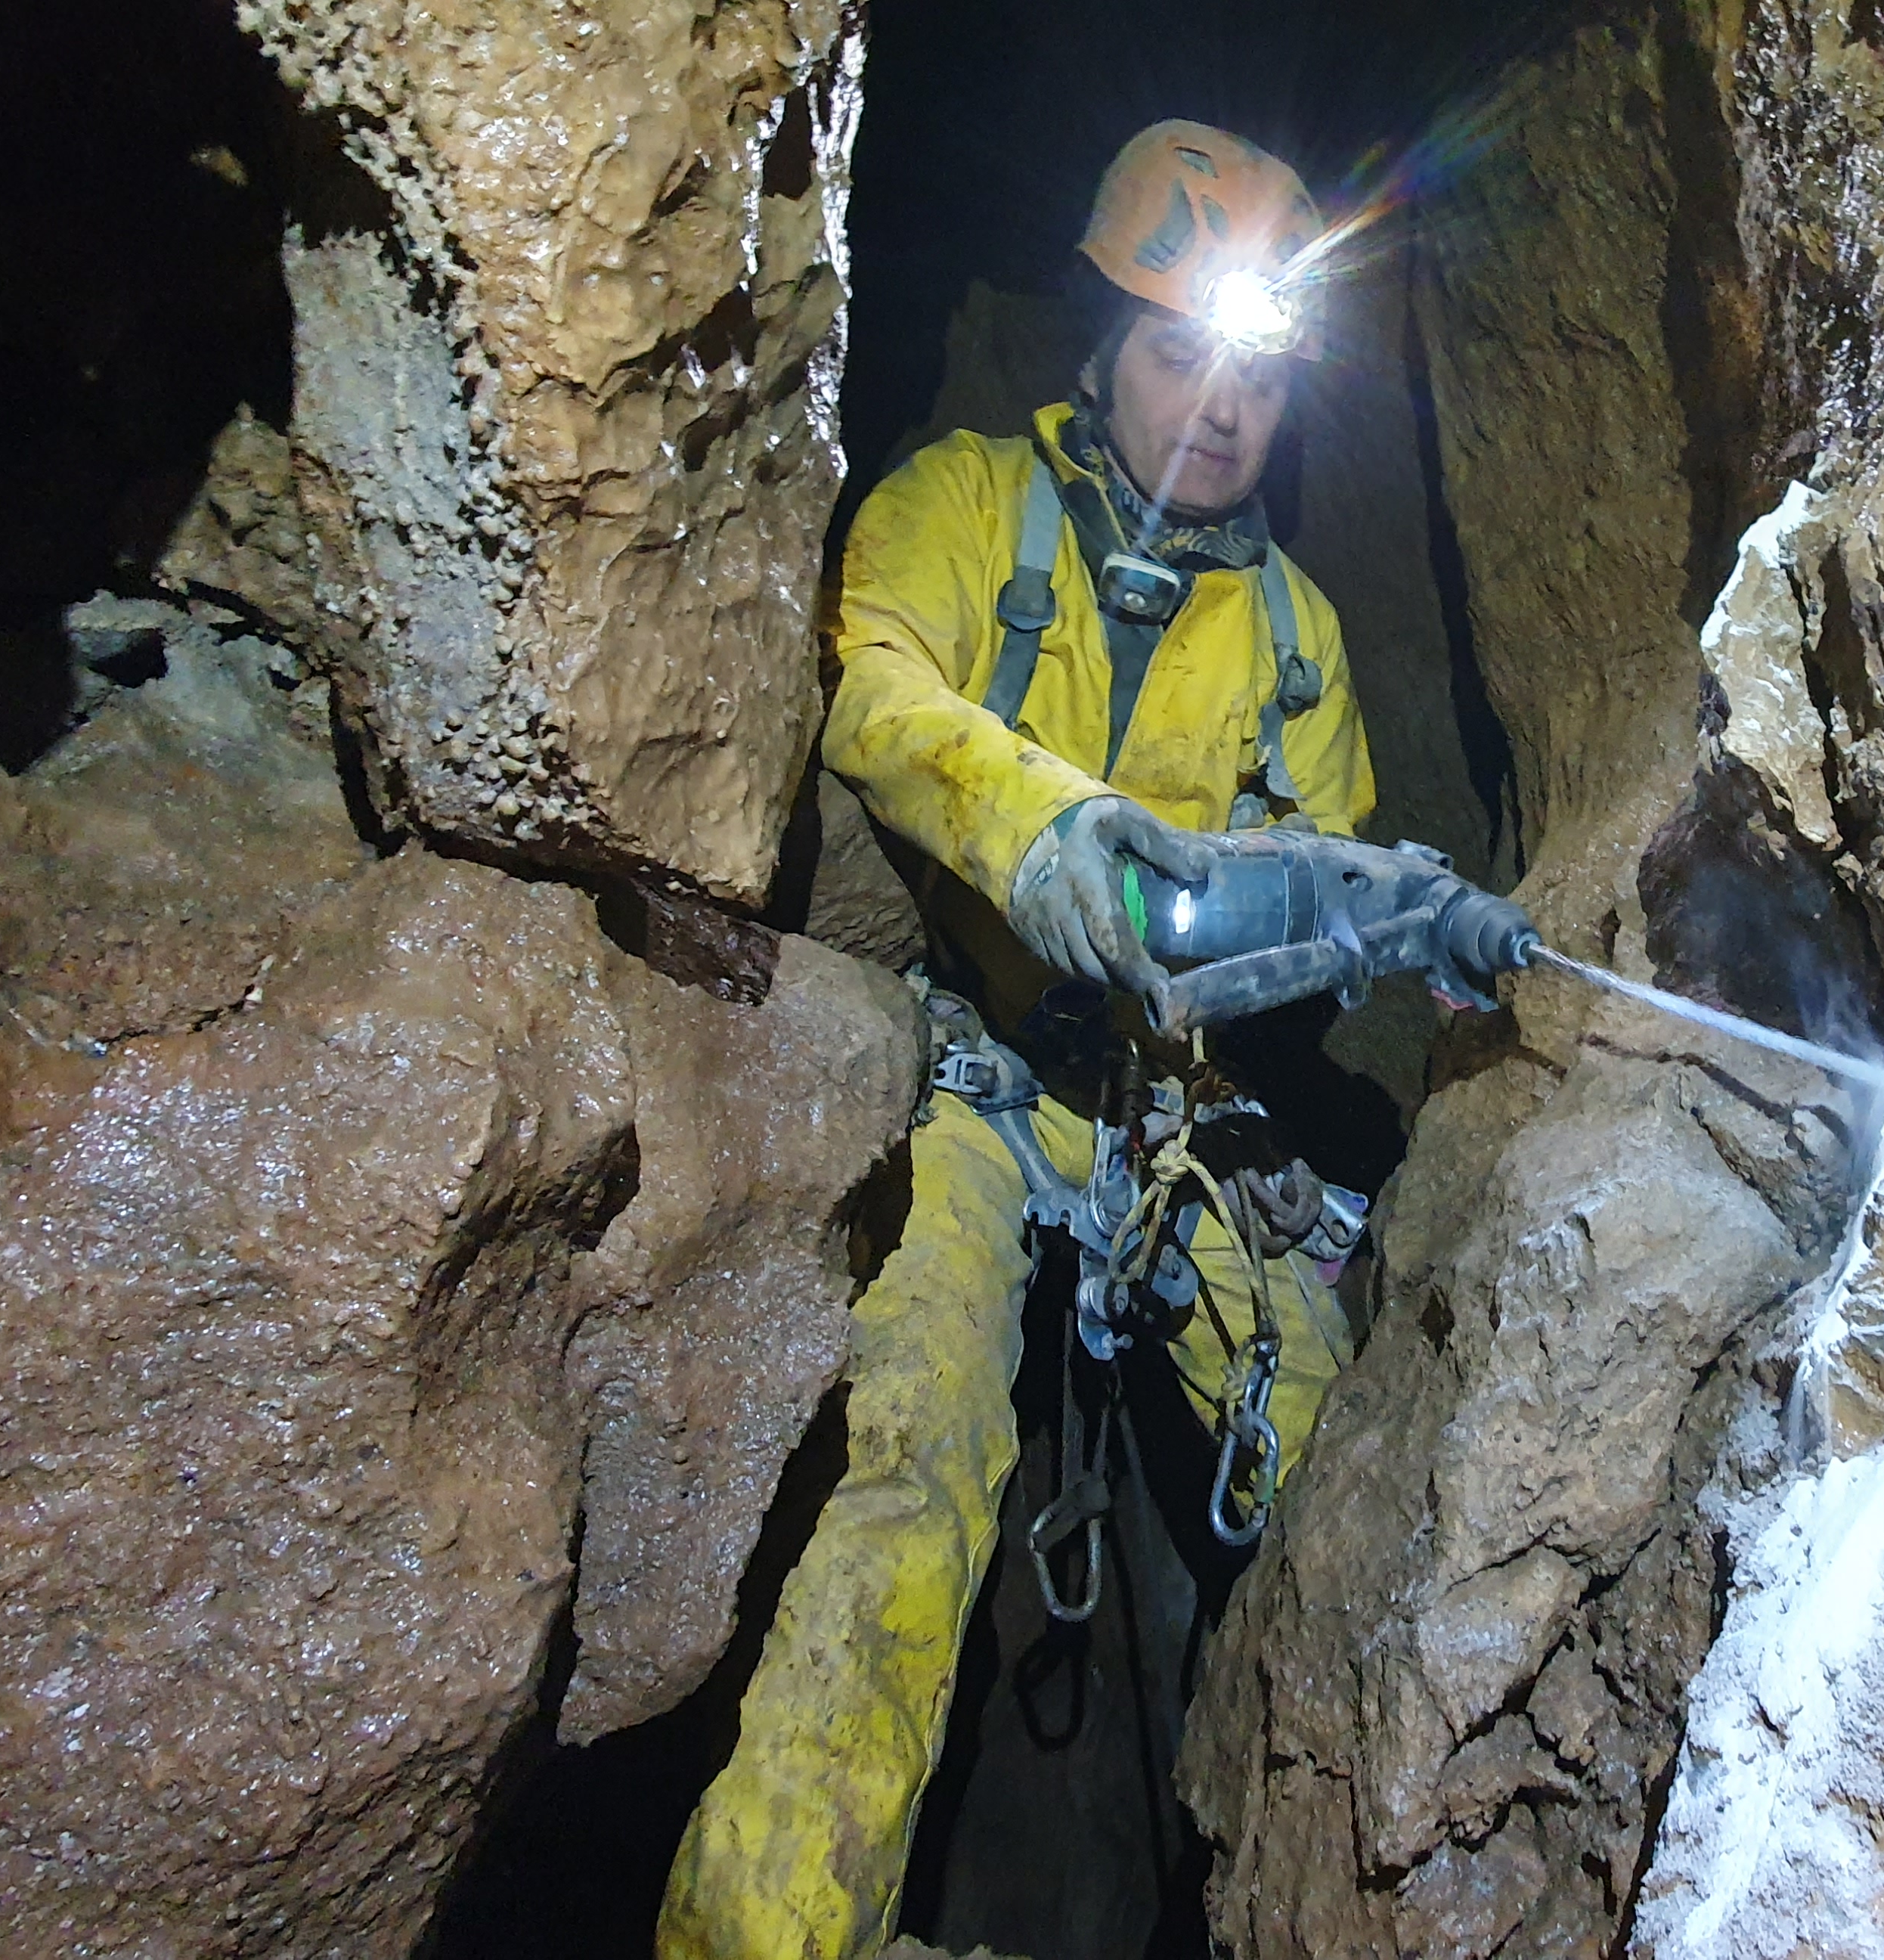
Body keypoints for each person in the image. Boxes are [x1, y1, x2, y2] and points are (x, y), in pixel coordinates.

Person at [655, 122, 1374, 1959]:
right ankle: (770, 1934)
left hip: (1183, 1126)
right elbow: (872, 685)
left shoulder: (1296, 636)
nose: (1218, 408)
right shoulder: (970, 503)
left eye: (1259, 376)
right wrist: (1038, 827)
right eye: (1177, 351)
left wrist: (1314, 926)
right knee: (904, 1459)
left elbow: (1340, 880)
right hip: (974, 1080)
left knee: (1337, 1475)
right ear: (1103, 342)